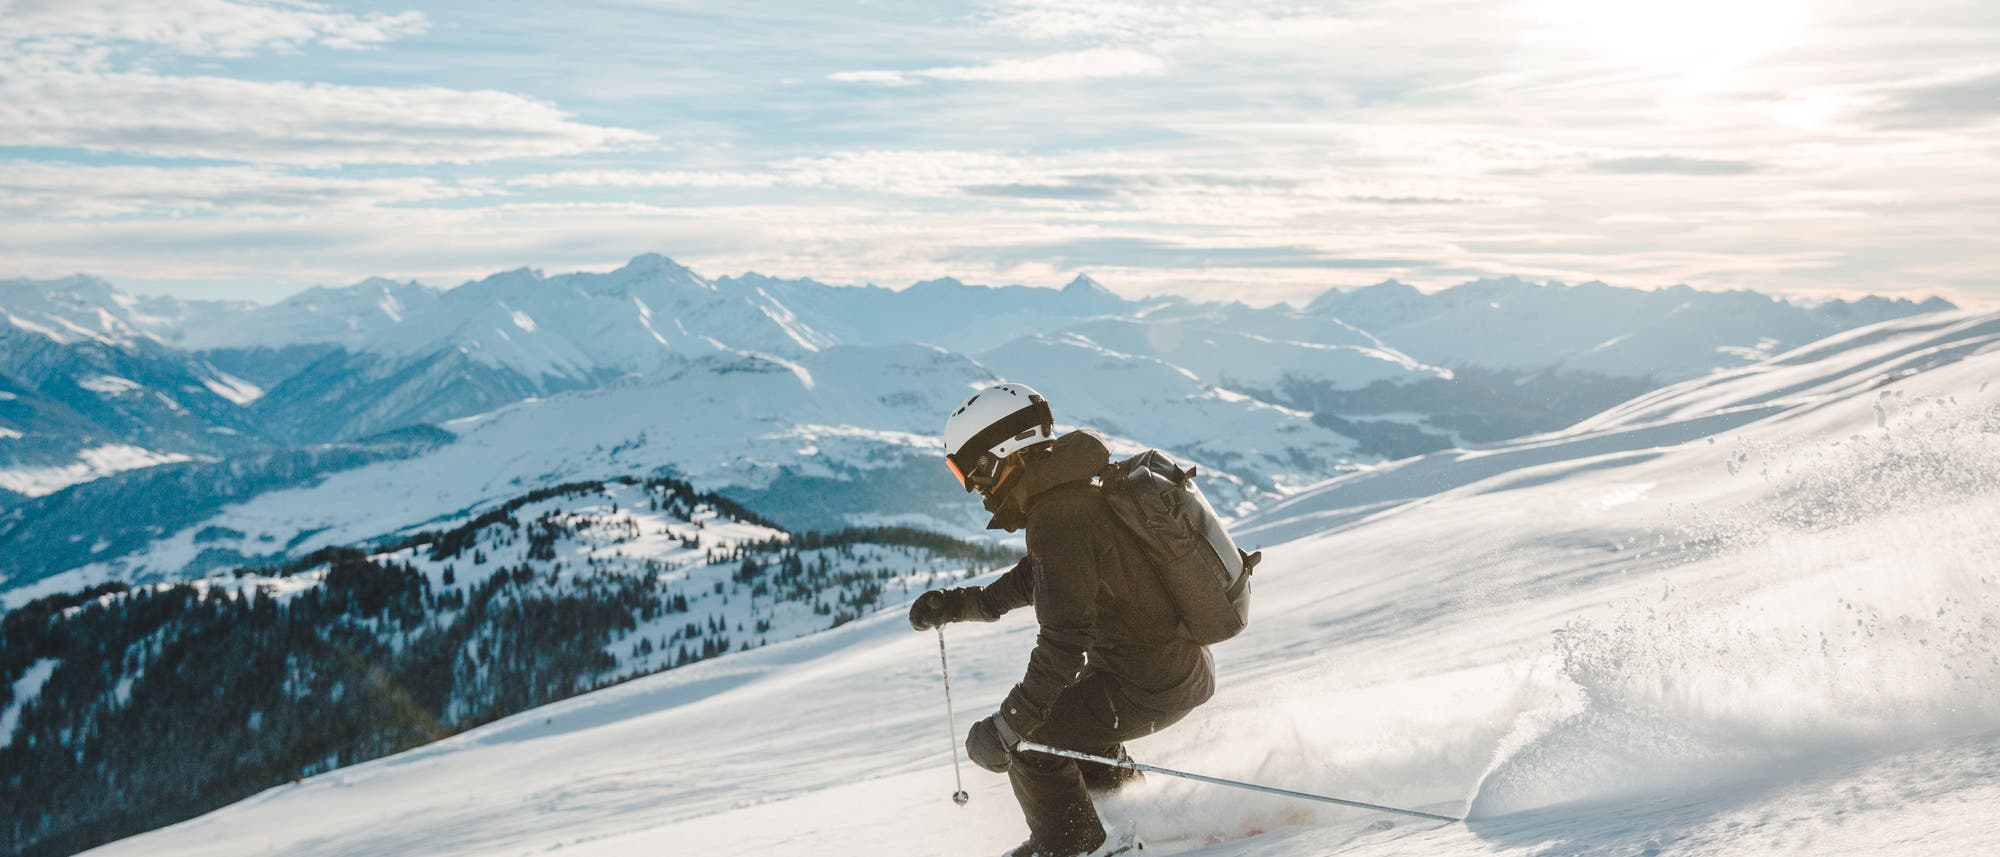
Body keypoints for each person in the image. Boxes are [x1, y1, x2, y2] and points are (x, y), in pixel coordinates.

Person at [910, 383, 1215, 857]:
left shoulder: (1060, 515)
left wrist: (1009, 728)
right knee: (1070, 728)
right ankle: (1135, 819)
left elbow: (1063, 644)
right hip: (1168, 667)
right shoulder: (1076, 493)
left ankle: (1073, 849)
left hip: (1149, 681)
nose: (974, 487)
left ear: (1002, 455)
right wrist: (956, 605)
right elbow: (1039, 579)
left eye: (970, 472)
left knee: (1034, 742)